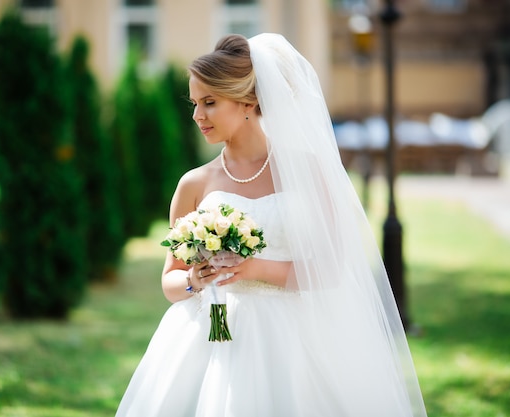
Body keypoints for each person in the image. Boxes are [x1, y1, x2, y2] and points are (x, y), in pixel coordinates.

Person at [115, 33, 427, 417]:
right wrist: (198, 278)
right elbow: (171, 280)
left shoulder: (308, 172)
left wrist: (256, 269)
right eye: (195, 103)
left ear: (248, 102)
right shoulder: (194, 184)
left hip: (296, 340)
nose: (197, 115)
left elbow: (330, 270)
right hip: (211, 337)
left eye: (210, 103)